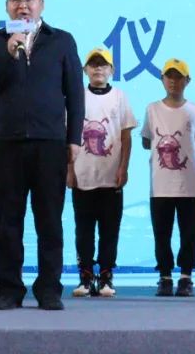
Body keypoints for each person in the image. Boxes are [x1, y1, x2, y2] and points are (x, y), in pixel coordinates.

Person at [0, 0, 85, 311]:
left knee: (49, 220)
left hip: (50, 143)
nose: (22, 5)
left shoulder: (61, 41)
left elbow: (75, 93)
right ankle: (10, 289)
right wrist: (8, 53)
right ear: (7, 6)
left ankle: (49, 289)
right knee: (9, 221)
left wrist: (74, 138)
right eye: (16, 0)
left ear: (41, 4)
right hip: (8, 143)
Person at [70, 47, 136, 298]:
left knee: (110, 230)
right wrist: (69, 170)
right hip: (82, 175)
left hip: (111, 177)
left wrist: (123, 168)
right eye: (93, 64)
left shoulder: (119, 97)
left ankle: (106, 276)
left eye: (103, 64)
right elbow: (68, 135)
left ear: (112, 70)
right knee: (83, 230)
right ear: (85, 70)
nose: (98, 68)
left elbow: (126, 136)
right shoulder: (76, 96)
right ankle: (86, 277)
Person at [142, 58, 195, 298]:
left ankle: (186, 276)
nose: (173, 81)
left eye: (178, 76)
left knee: (189, 232)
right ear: (162, 79)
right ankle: (165, 276)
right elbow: (146, 140)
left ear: (187, 81)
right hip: (161, 183)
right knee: (162, 232)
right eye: (169, 76)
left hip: (189, 182)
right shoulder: (152, 109)